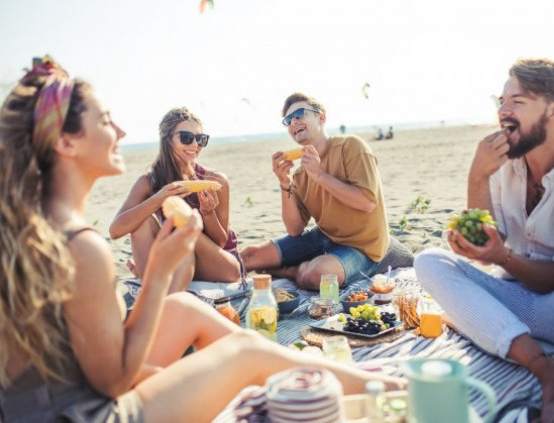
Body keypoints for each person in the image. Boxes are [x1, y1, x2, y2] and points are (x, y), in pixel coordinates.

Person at [0, 56, 405, 423]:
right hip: (80, 414)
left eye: (200, 139)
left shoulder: (34, 226)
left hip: (45, 400)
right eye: (106, 121)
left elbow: (83, 361)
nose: (121, 131)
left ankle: (329, 375)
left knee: (184, 310)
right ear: (66, 142)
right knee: (244, 352)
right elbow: (112, 382)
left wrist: (175, 376)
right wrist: (157, 272)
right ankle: (395, 392)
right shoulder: (81, 246)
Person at [414, 58, 554, 422]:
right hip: (512, 302)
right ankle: (551, 376)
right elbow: (487, 244)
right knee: (428, 261)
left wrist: (503, 257)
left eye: (517, 101)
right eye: (501, 100)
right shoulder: (501, 161)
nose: (503, 110)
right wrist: (477, 177)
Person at [240, 93, 390, 290]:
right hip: (324, 237)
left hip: (364, 247)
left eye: (300, 114)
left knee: (316, 275)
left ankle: (290, 271)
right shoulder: (301, 174)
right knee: (248, 256)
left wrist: (319, 174)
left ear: (322, 117)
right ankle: (295, 266)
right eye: (288, 120)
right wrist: (284, 182)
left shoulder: (351, 146)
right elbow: (295, 229)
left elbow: (367, 202)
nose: (294, 122)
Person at [109, 107, 242, 292]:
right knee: (141, 221)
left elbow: (220, 242)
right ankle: (158, 289)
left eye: (201, 139)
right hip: (178, 263)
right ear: (167, 138)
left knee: (185, 228)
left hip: (221, 267)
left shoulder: (216, 180)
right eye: (186, 137)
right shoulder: (148, 182)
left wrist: (208, 214)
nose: (195, 145)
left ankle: (152, 278)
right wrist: (159, 197)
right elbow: (115, 230)